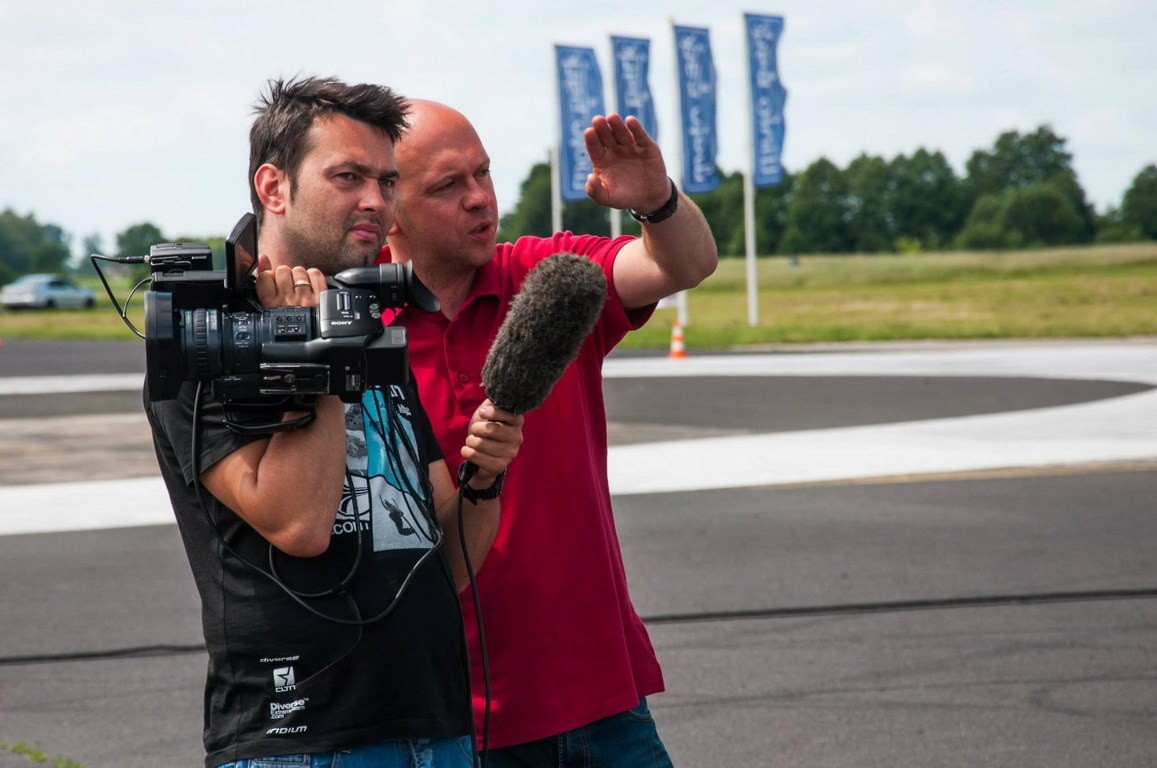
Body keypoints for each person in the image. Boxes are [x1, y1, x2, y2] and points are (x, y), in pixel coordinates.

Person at [144, 77, 524, 768]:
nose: (376, 201)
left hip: (434, 722)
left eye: (387, 181)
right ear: (274, 187)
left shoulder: (361, 323)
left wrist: (486, 476)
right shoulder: (206, 332)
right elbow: (298, 525)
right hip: (302, 737)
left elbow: (447, 558)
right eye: (348, 177)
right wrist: (320, 352)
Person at [381, 100, 718, 766]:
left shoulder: (547, 277)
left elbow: (683, 266)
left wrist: (656, 202)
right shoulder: (352, 330)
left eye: (483, 173)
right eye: (449, 186)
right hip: (443, 721)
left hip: (597, 701)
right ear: (387, 208)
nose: (480, 198)